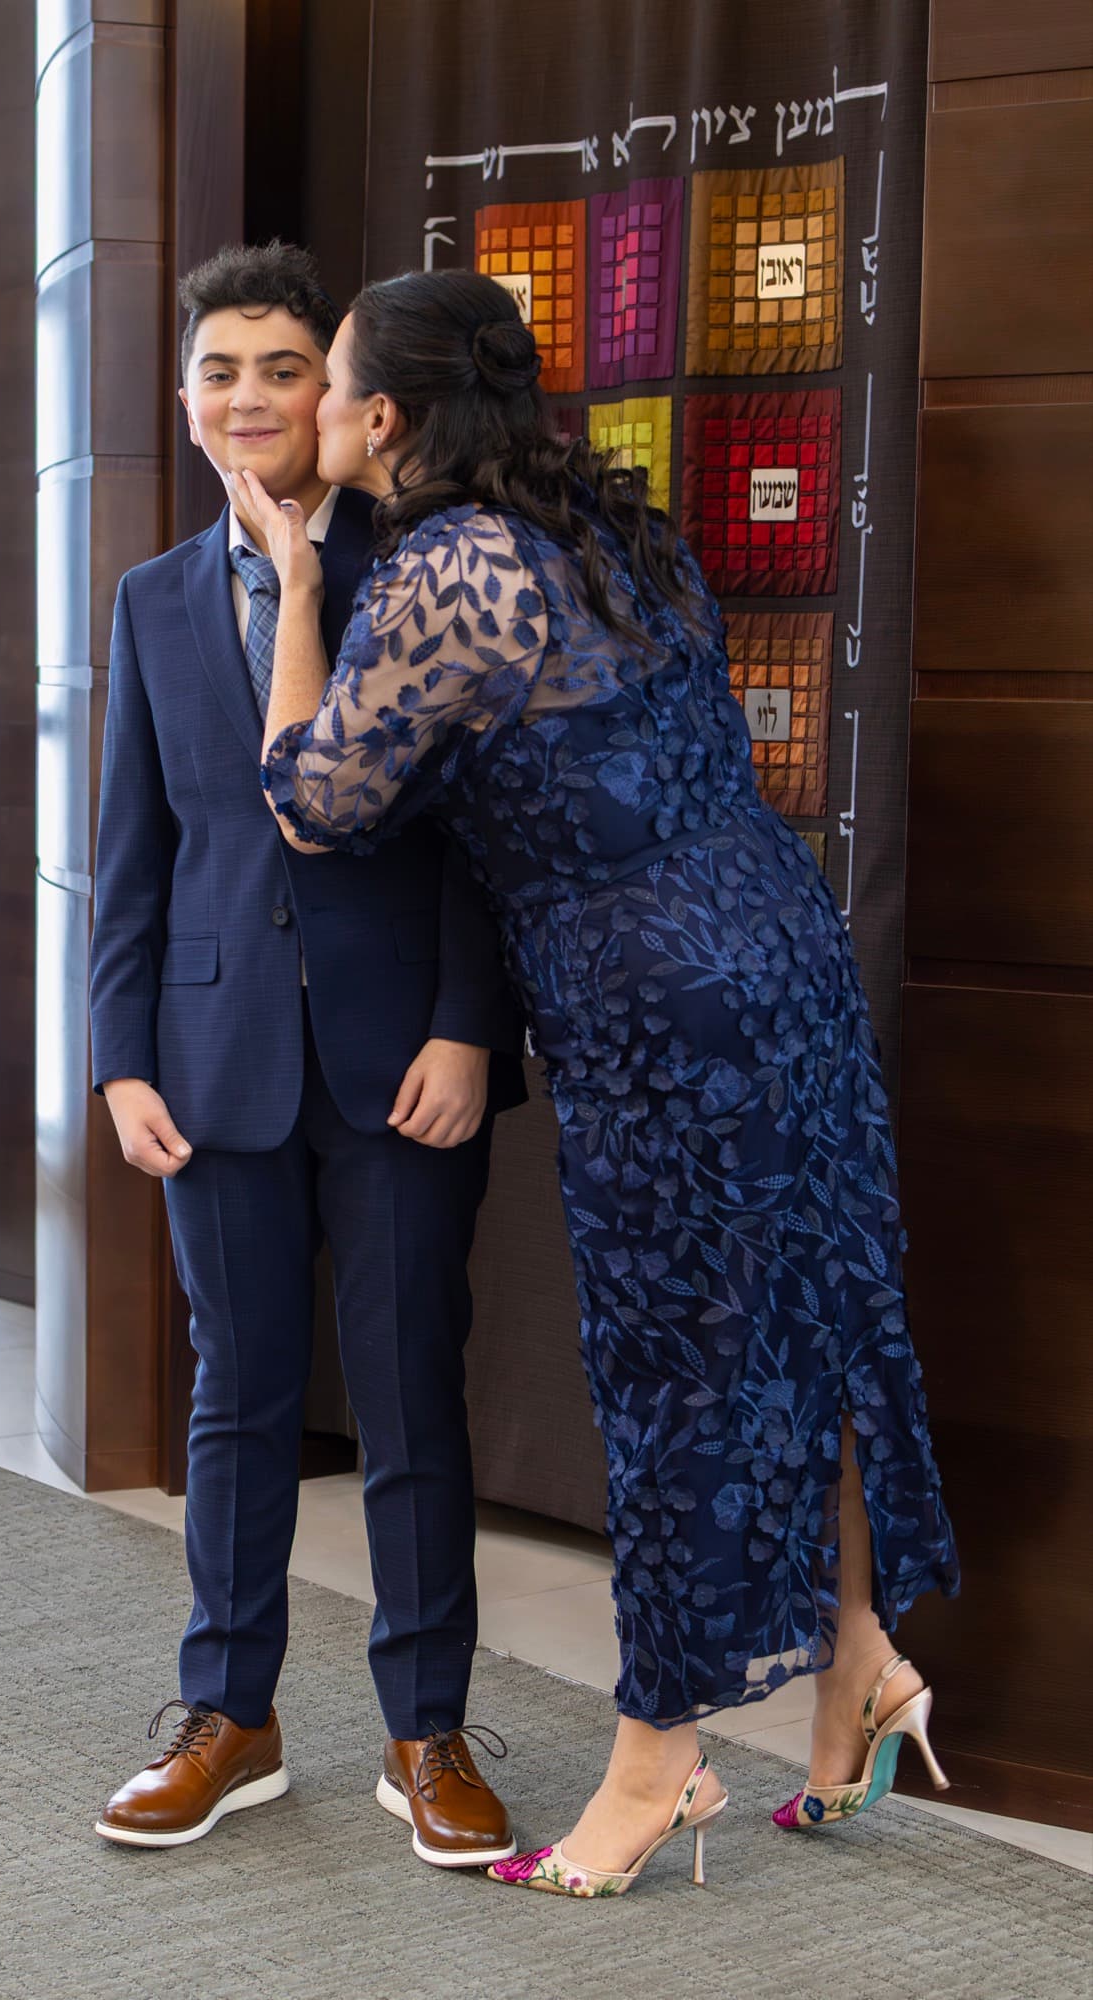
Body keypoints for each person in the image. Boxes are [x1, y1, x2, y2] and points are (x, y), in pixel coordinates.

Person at [246, 267, 961, 1898]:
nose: (320, 407)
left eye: (336, 379)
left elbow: (316, 796)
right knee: (811, 1319)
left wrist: (297, 588)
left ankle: (656, 1765)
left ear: (388, 416)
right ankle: (857, 1664)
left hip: (655, 1002)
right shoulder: (610, 533)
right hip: (783, 947)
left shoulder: (441, 567)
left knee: (679, 1373)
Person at [88, 244, 527, 1865]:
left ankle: (427, 1734)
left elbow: (490, 836)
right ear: (187, 395)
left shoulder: (430, 565)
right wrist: (119, 1056)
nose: (253, 397)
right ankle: (232, 1716)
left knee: (413, 1395)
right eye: (223, 370)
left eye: (285, 368)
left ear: (338, 398)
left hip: (404, 1050)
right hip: (209, 1059)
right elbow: (131, 851)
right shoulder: (146, 601)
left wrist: (471, 1023)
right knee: (237, 1398)